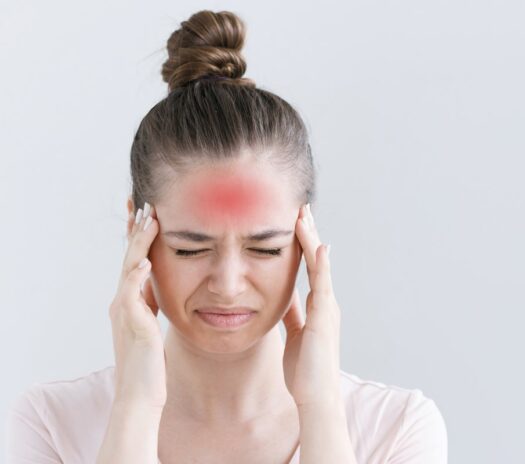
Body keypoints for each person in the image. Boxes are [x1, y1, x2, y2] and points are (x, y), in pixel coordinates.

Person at [5, 9, 448, 463]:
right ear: (137, 231)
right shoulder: (50, 424)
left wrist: (320, 407)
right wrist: (135, 406)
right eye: (190, 249)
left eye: (265, 248)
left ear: (305, 239)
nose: (229, 285)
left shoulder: (397, 429)